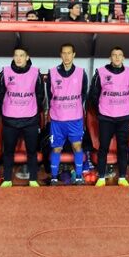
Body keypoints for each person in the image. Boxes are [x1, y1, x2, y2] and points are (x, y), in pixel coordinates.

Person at [89, 47, 129, 186]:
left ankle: (122, 177)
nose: (117, 57)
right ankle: (101, 177)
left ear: (123, 58)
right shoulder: (101, 72)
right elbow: (93, 94)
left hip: (123, 117)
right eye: (114, 55)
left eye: (119, 55)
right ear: (110, 58)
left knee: (123, 147)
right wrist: (101, 111)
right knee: (103, 147)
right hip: (106, 117)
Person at [0, 47, 44, 187]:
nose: (18, 58)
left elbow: (40, 95)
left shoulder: (35, 73)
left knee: (32, 151)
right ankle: (7, 179)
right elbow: (0, 94)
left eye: (21, 55)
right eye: (16, 55)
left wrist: (34, 111)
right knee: (8, 151)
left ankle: (33, 179)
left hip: (30, 119)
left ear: (27, 57)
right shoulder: (5, 72)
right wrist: (5, 111)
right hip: (10, 119)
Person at [45, 43, 88, 185]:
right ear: (60, 55)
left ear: (74, 55)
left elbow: (83, 94)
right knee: (56, 148)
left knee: (77, 146)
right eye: (64, 53)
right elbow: (49, 95)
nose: (67, 56)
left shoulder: (81, 72)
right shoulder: (52, 72)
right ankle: (53, 177)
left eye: (69, 53)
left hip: (75, 119)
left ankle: (79, 176)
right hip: (58, 119)